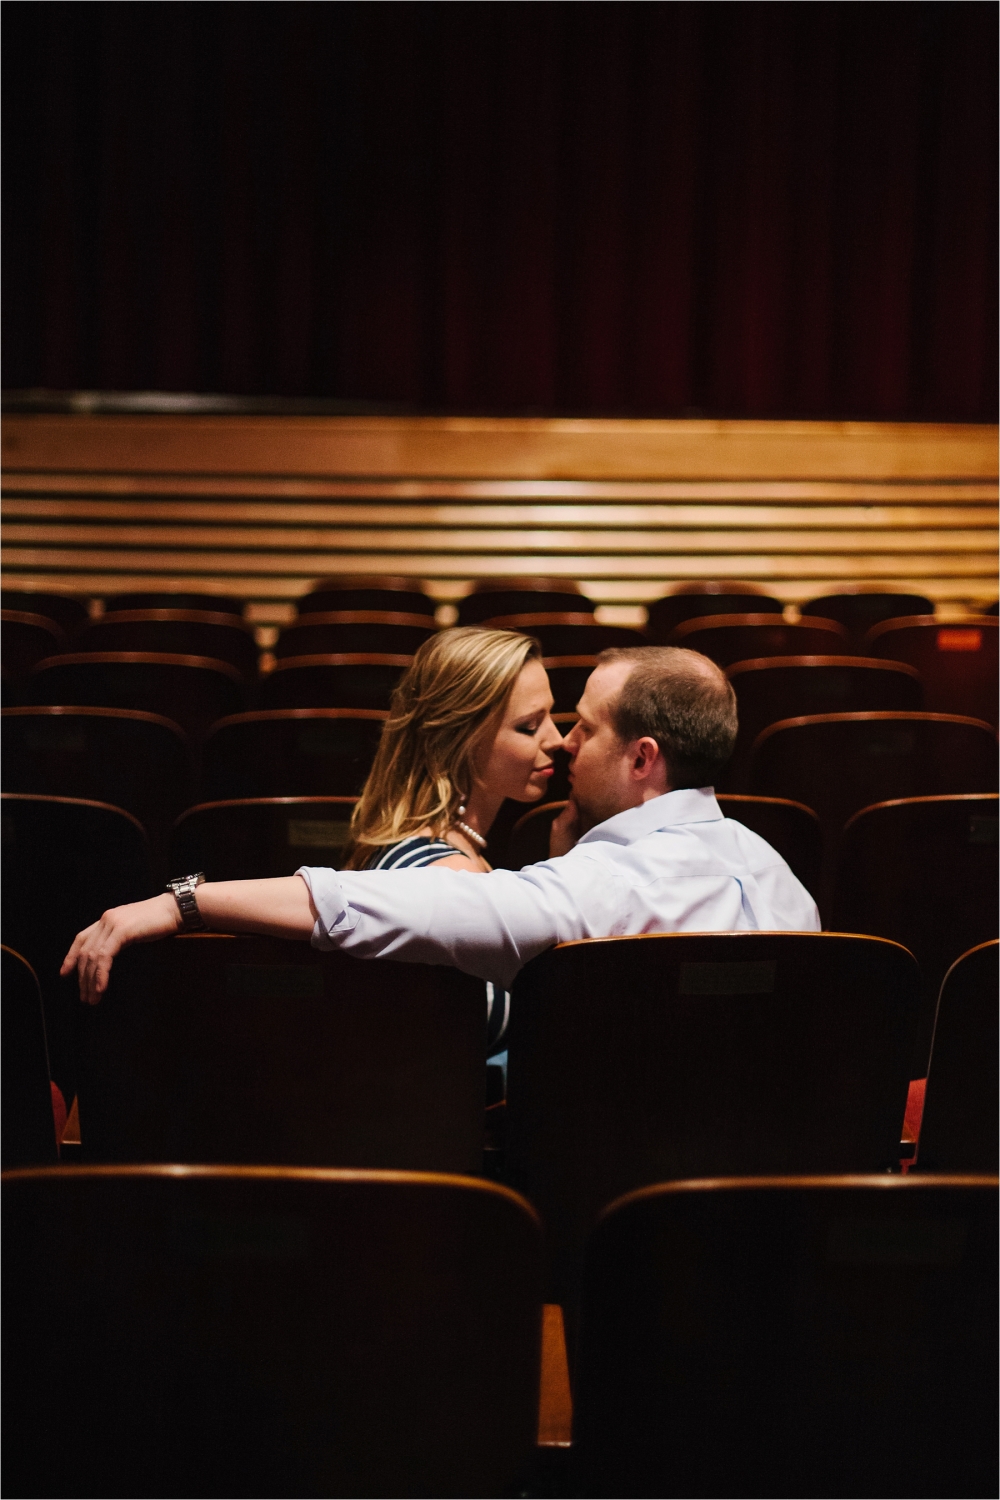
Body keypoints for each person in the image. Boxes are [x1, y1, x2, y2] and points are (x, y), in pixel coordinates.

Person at [62, 645, 820, 1005]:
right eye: (542, 724)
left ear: (642, 758)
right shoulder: (784, 882)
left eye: (581, 727)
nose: (565, 743)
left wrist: (182, 899)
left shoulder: (591, 889)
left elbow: (368, 906)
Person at [339, 625, 562, 875]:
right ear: (459, 739)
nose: (557, 740)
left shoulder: (444, 850)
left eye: (550, 716)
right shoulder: (451, 872)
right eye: (529, 726)